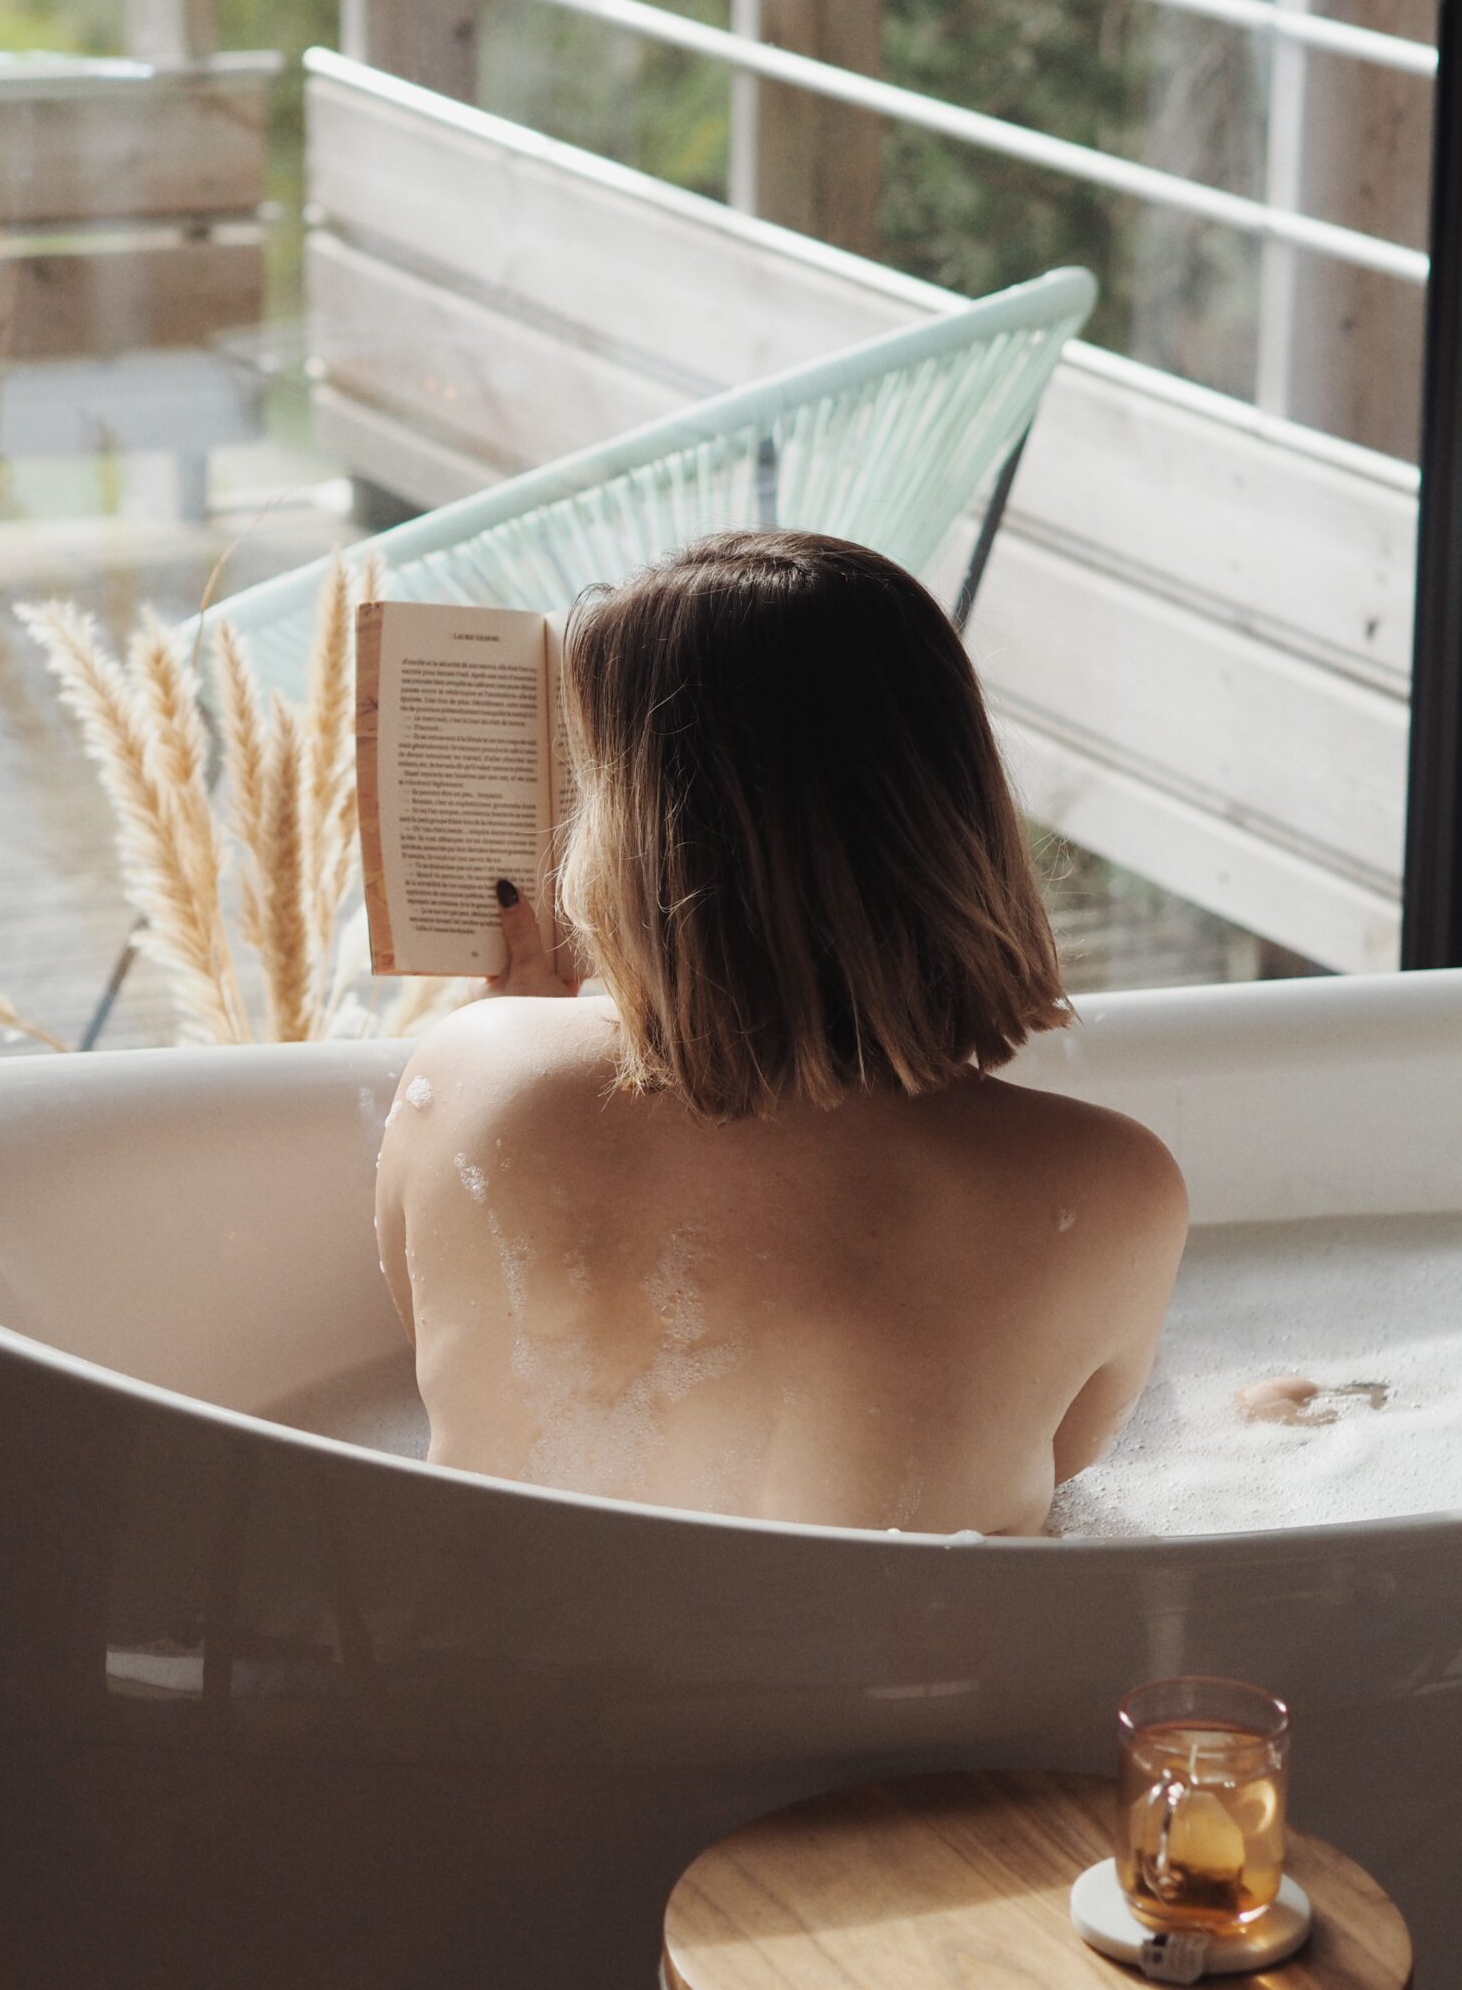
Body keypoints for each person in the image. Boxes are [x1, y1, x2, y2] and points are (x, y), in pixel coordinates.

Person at [374, 530, 1186, 1535]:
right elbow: (1058, 1470)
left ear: (630, 840)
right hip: (909, 1686)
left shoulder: (470, 1077)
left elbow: (458, 1366)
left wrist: (520, 1015)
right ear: (953, 814)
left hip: (498, 1678)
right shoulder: (1105, 1185)